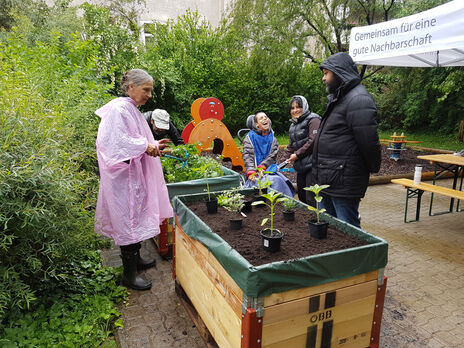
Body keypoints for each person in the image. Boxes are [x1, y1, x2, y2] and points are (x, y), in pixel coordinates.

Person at [95, 69, 173, 291]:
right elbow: (114, 142)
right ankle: (129, 275)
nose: (149, 95)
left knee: (134, 216)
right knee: (128, 219)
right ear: (131, 87)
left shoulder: (130, 109)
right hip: (123, 179)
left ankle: (136, 261)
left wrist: (153, 146)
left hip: (131, 177)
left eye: (151, 90)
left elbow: (134, 139)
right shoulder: (119, 110)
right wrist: (145, 146)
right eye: (146, 89)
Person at [312, 52, 381, 228]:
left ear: (339, 72)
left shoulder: (358, 99)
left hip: (343, 180)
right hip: (330, 177)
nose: (323, 78)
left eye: (326, 73)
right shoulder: (341, 97)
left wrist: (374, 166)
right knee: (332, 228)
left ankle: (358, 256)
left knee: (349, 231)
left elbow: (368, 142)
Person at [243, 112, 296, 197]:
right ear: (257, 125)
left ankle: (283, 203)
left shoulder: (273, 139)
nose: (264, 119)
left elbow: (272, 156)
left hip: (268, 169)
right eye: (261, 118)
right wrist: (251, 171)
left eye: (266, 117)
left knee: (278, 180)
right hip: (255, 173)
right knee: (274, 181)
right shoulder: (249, 138)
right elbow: (247, 156)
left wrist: (263, 166)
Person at [285, 95, 321, 206]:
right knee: (302, 196)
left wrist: (297, 155)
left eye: (298, 107)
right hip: (301, 167)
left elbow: (313, 141)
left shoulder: (313, 119)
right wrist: (279, 164)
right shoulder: (293, 125)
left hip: (313, 165)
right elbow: (291, 147)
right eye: (292, 108)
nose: (295, 110)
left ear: (304, 106)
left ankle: (320, 221)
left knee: (312, 199)